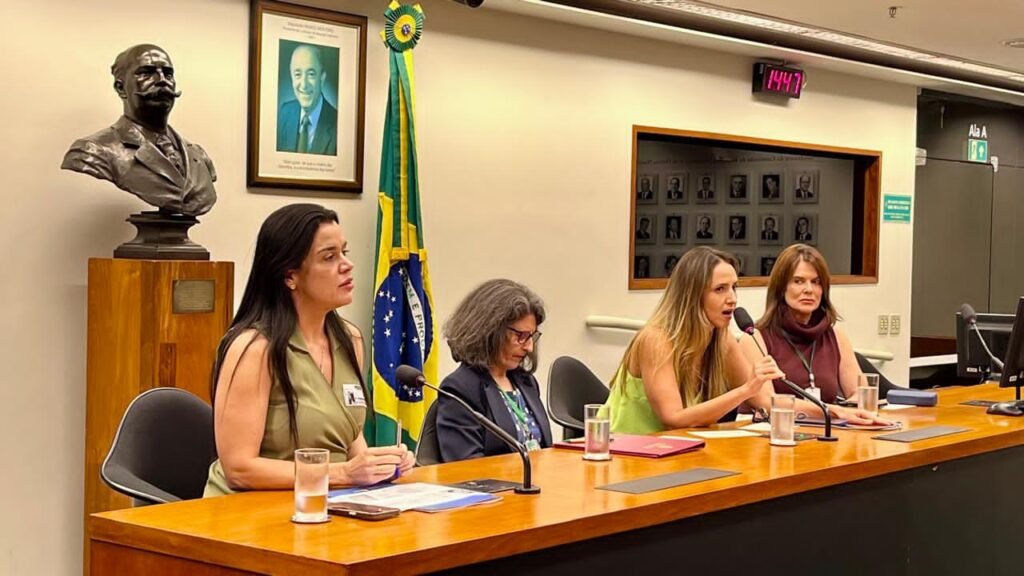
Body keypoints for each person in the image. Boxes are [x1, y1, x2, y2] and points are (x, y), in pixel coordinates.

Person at [204, 204, 413, 497]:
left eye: (344, 252)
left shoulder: (350, 339)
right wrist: (343, 473)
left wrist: (380, 465)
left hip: (327, 502)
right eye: (329, 257)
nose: (347, 265)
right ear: (290, 276)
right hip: (250, 509)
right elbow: (239, 469)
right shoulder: (254, 349)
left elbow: (349, 440)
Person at [604, 247, 783, 433]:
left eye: (734, 288)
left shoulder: (722, 339)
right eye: (720, 289)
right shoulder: (656, 340)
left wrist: (804, 406)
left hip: (680, 446)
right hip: (623, 446)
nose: (732, 299)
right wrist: (746, 390)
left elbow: (763, 401)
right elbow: (673, 419)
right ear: (692, 295)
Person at [738, 244, 890, 423]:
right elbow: (767, 402)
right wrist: (833, 411)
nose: (809, 289)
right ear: (781, 288)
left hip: (828, 432)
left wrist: (851, 408)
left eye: (816, 282)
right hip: (774, 432)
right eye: (798, 281)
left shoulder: (836, 336)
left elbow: (858, 394)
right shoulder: (755, 338)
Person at [61, 44, 217, 216]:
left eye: (168, 74)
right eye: (146, 73)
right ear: (121, 88)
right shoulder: (93, 151)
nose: (162, 80)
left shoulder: (198, 155)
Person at [436, 279, 553, 462]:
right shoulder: (460, 389)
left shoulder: (526, 382)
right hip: (497, 481)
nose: (529, 347)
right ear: (489, 331)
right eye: (520, 336)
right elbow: (466, 466)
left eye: (531, 336)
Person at [277, 44, 338, 156]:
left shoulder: (338, 125)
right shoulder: (284, 112)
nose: (304, 85)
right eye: (297, 74)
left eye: (311, 74)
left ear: (322, 79)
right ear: (292, 78)